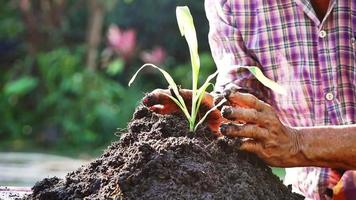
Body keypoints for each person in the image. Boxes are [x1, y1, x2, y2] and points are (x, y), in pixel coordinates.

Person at [144, 0, 356, 199]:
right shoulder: (233, 3)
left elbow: (291, 143)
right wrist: (225, 114)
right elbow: (243, 93)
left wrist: (297, 143)